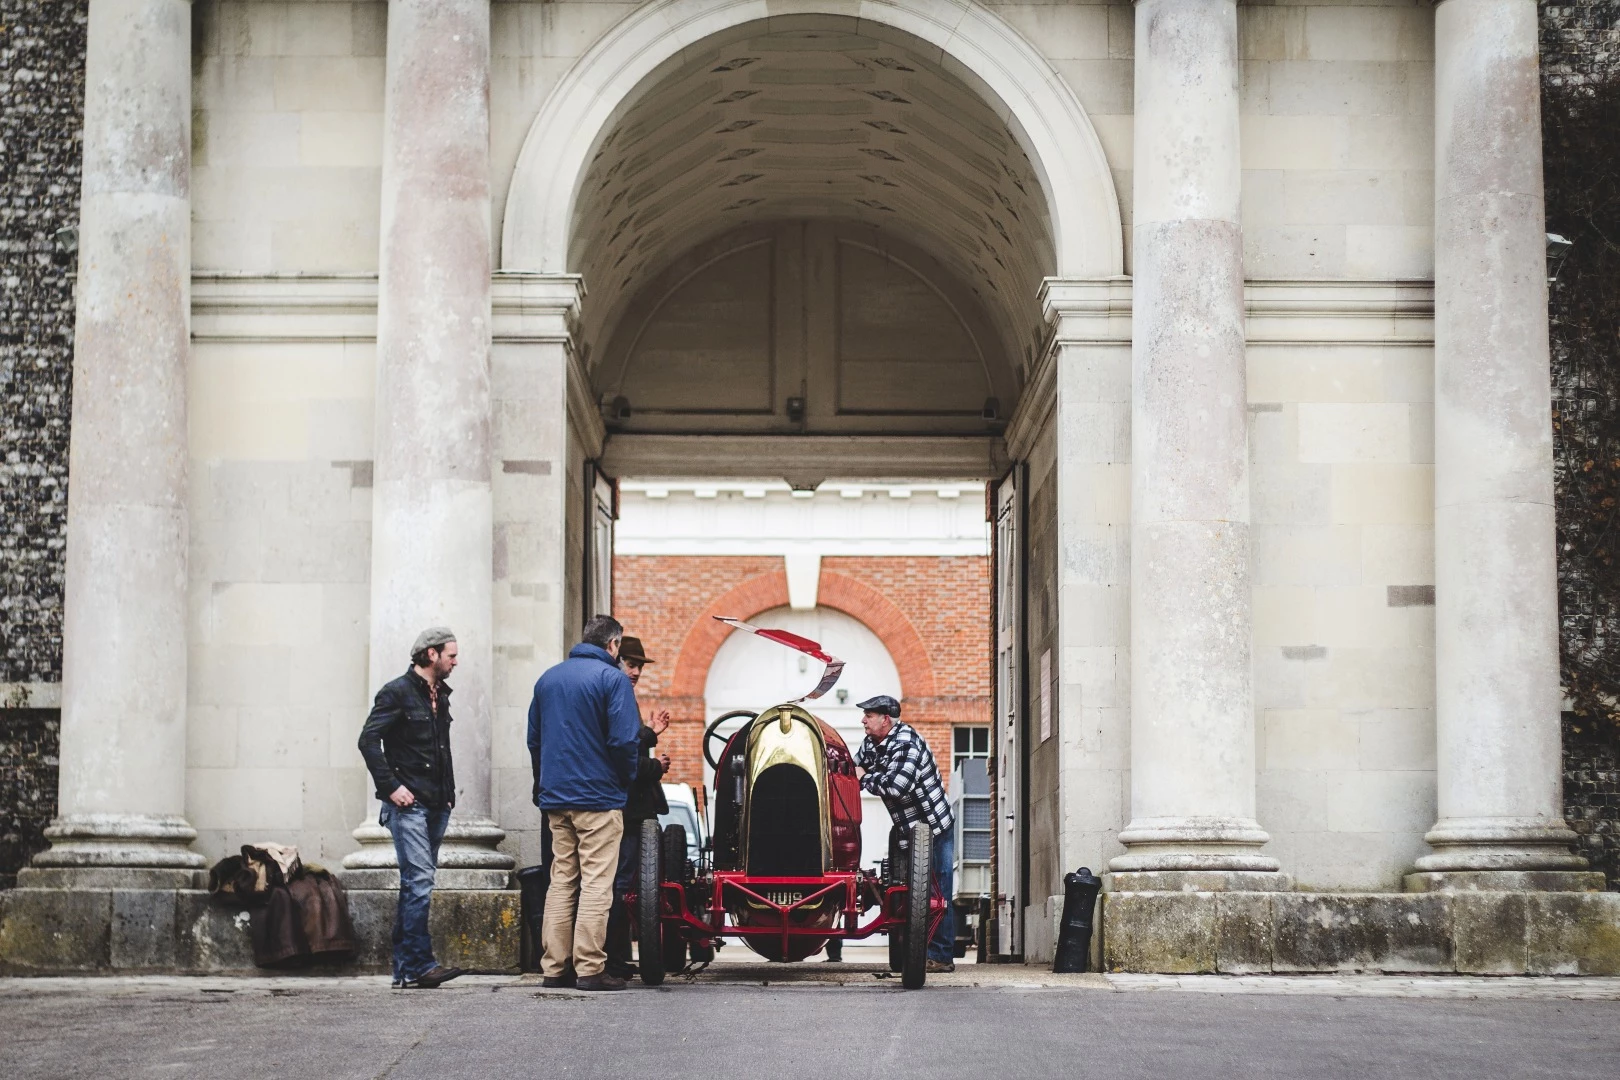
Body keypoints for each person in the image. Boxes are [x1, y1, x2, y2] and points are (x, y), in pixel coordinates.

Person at [528, 614, 642, 991]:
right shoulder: (613, 680)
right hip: (598, 797)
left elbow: (535, 740)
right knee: (596, 883)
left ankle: (554, 968)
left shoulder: (548, 679)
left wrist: (541, 785)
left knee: (561, 881)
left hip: (557, 798)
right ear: (612, 645)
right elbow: (625, 742)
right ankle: (590, 969)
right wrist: (624, 779)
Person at [357, 626, 466, 989]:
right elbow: (368, 741)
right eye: (451, 654)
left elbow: (441, 749)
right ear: (431, 654)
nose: (455, 661)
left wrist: (448, 793)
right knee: (420, 881)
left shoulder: (441, 695)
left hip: (437, 803)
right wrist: (391, 788)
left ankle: (405, 970)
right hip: (409, 805)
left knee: (414, 884)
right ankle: (421, 965)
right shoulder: (396, 692)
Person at [852, 694, 958, 973]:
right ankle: (913, 950)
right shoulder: (872, 743)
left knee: (938, 892)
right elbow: (853, 767)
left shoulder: (907, 744)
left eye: (869, 716)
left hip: (934, 828)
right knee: (907, 891)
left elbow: (897, 786)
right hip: (905, 830)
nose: (863, 720)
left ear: (885, 719)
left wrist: (865, 777)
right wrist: (859, 774)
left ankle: (942, 956)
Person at [605, 636, 673, 979]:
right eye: (630, 664)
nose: (635, 672)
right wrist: (656, 765)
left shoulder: (622, 696)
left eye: (639, 667)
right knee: (619, 886)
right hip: (629, 810)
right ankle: (615, 960)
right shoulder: (618, 697)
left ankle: (616, 958)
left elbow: (628, 746)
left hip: (627, 808)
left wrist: (650, 733)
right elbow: (626, 759)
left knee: (619, 885)